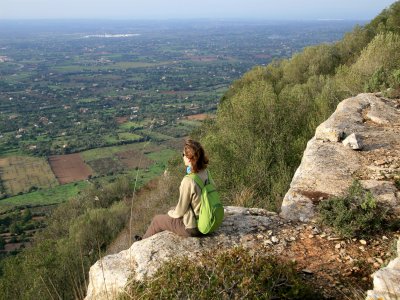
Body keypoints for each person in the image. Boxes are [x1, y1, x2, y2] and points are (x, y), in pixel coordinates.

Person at [140, 139, 209, 240]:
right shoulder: (206, 172)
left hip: (194, 228)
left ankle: (142, 243)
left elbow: (180, 211)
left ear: (189, 158)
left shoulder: (189, 181)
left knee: (157, 220)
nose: (182, 157)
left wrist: (171, 213)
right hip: (207, 220)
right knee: (172, 209)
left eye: (183, 155)